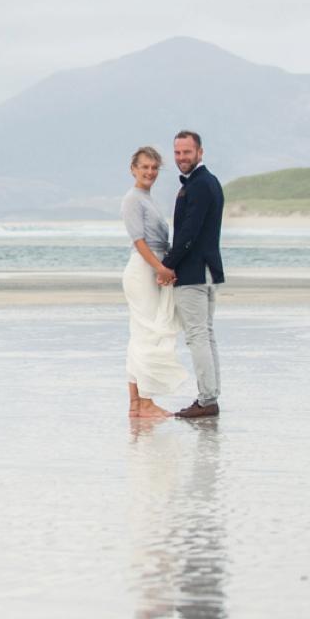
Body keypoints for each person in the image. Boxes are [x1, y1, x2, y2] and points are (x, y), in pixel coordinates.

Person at [159, 130, 225, 419]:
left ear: (200, 152)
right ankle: (210, 396)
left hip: (195, 272)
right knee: (206, 335)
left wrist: (167, 264)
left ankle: (207, 400)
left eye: (186, 152)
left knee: (198, 335)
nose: (181, 158)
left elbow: (189, 233)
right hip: (208, 270)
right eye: (177, 153)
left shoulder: (199, 185)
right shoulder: (209, 182)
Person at [120, 146, 187, 419]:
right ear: (133, 169)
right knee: (149, 333)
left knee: (142, 333)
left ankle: (136, 402)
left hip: (152, 267)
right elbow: (139, 240)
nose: (149, 172)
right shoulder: (132, 199)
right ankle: (145, 401)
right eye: (144, 167)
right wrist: (161, 268)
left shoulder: (147, 198)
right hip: (143, 269)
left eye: (154, 167)